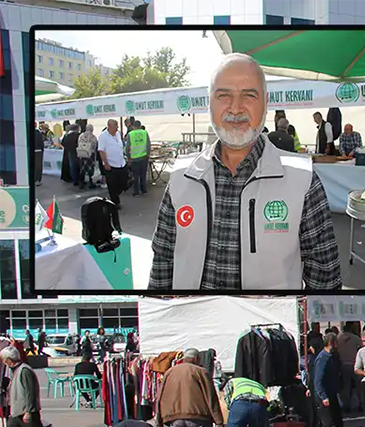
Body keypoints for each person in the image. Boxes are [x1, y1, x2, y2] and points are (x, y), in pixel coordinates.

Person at [149, 55, 341, 291]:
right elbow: (163, 261)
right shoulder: (182, 176)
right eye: (223, 95)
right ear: (209, 103)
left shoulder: (303, 180)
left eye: (249, 95)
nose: (236, 108)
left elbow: (324, 279)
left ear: (266, 103)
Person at [0, 346, 62, 427]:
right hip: (16, 412)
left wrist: (28, 411)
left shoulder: (24, 370)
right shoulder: (15, 371)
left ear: (9, 360)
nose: (4, 362)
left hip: (26, 412)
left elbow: (30, 392)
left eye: (4, 360)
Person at [312, 332, 345, 427]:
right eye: (336, 342)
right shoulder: (322, 358)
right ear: (331, 343)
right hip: (324, 396)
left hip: (332, 393)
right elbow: (318, 380)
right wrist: (323, 396)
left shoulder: (332, 356)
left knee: (336, 420)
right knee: (328, 423)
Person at [98, 119, 129, 207]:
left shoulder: (118, 134)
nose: (117, 128)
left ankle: (118, 193)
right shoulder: (103, 136)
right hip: (111, 164)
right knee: (112, 185)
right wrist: (105, 163)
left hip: (121, 162)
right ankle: (115, 202)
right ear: (110, 126)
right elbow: (101, 150)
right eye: (116, 126)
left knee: (123, 182)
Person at [127, 120, 150, 196]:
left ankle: (136, 191)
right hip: (144, 157)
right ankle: (144, 190)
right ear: (140, 126)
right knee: (143, 175)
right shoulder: (145, 133)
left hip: (134, 158)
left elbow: (127, 147)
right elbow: (148, 145)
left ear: (133, 126)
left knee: (135, 176)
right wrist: (148, 154)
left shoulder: (130, 134)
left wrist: (128, 157)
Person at [76, 123, 98, 189]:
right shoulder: (93, 137)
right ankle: (90, 183)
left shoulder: (81, 135)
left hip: (82, 154)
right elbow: (95, 145)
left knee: (82, 169)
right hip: (90, 155)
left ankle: (81, 183)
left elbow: (78, 143)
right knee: (90, 169)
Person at [62, 122, 81, 188]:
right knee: (78, 166)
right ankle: (79, 179)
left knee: (72, 166)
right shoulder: (79, 135)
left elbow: (63, 143)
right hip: (78, 152)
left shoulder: (67, 135)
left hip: (70, 152)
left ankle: (74, 179)